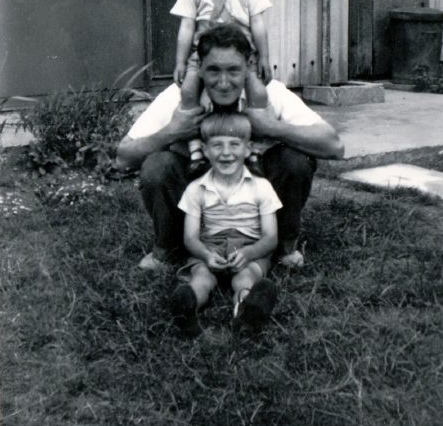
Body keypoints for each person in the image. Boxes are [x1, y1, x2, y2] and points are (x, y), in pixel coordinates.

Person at [116, 23, 344, 271]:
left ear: (248, 67)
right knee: (157, 166)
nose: (223, 83)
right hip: (199, 205)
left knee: (295, 160)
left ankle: (283, 248)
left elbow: (334, 146)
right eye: (213, 70)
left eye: (233, 70)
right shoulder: (179, 96)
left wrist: (272, 128)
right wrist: (172, 132)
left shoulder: (270, 93)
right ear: (199, 69)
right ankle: (169, 249)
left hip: (257, 204)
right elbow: (123, 158)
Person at [170, 0, 272, 175]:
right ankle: (195, 150)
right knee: (188, 91)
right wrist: (181, 61)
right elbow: (186, 26)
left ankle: (255, 150)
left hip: (241, 55)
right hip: (202, 56)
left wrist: (264, 56)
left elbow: (258, 23)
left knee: (258, 93)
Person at [171, 112, 281, 337]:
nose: (226, 153)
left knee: (246, 277)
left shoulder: (261, 187)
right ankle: (186, 308)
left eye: (234, 144)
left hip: (250, 246)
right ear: (205, 150)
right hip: (209, 246)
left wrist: (250, 253)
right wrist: (206, 255)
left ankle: (247, 313)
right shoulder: (196, 189)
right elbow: (190, 238)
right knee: (202, 276)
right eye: (217, 145)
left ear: (248, 148)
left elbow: (270, 238)